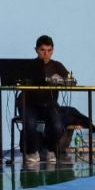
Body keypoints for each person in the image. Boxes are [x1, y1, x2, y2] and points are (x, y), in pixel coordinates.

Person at [19, 35, 70, 166]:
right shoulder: (28, 66)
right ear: (36, 50)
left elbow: (69, 81)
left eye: (49, 50)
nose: (46, 53)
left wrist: (61, 80)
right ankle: (32, 151)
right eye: (42, 50)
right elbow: (18, 81)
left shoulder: (58, 66)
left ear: (52, 50)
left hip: (50, 104)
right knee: (29, 125)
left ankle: (49, 149)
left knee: (58, 126)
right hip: (30, 104)